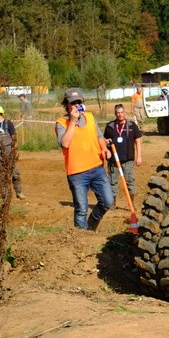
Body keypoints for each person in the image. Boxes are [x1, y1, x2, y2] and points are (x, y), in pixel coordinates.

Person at [55, 88, 113, 231]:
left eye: (78, 102)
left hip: (97, 167)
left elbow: (99, 136)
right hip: (77, 173)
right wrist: (73, 121)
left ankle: (91, 228)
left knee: (107, 201)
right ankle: (80, 238)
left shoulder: (90, 117)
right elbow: (65, 143)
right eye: (73, 103)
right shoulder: (61, 123)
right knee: (81, 209)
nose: (76, 105)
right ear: (67, 105)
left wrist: (104, 149)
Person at [103, 103, 143, 206]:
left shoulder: (131, 125)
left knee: (130, 182)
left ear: (124, 113)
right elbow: (103, 141)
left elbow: (138, 140)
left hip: (128, 159)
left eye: (122, 112)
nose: (120, 115)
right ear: (115, 114)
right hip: (113, 161)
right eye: (118, 113)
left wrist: (139, 157)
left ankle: (132, 204)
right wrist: (106, 142)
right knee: (112, 182)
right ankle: (112, 204)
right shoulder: (110, 126)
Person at [0, 105, 25, 199]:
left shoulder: (8, 123)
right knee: (1, 173)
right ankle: (4, 195)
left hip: (8, 149)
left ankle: (19, 192)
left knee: (14, 171)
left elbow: (14, 136)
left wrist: (14, 149)